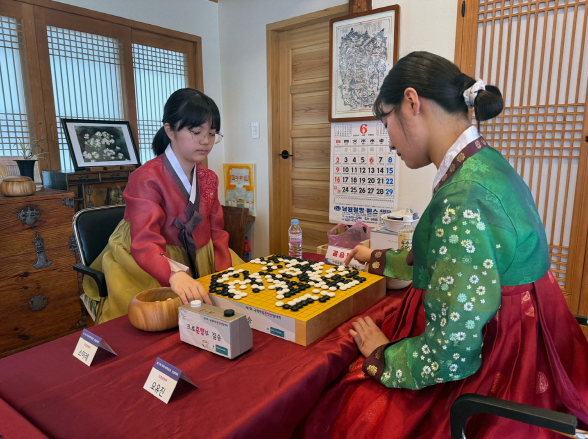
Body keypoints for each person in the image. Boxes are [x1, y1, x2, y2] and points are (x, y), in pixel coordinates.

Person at [299, 52, 588, 438]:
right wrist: (376, 257)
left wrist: (383, 356)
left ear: (412, 102)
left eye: (386, 122)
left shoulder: (466, 193)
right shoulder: (484, 164)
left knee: (338, 405)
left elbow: (452, 351)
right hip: (518, 340)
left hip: (491, 362)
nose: (388, 143)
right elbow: (450, 260)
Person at [83, 88, 242, 323]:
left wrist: (224, 270)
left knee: (236, 294)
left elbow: (216, 229)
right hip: (150, 254)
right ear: (170, 130)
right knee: (153, 316)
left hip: (200, 252)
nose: (205, 141)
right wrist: (173, 274)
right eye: (196, 132)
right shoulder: (146, 177)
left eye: (212, 133)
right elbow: (144, 239)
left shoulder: (208, 178)